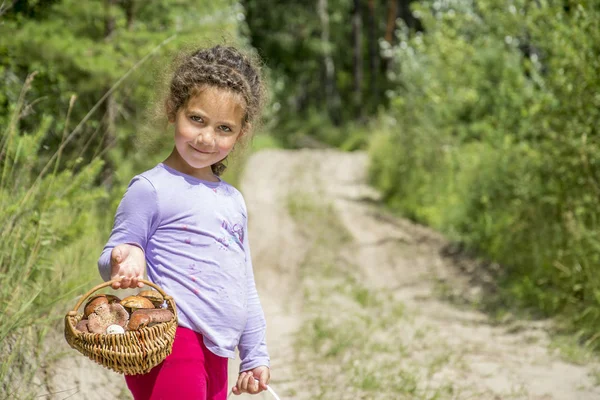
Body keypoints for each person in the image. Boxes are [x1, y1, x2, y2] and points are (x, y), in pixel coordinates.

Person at [97, 45, 270, 400]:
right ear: (173, 110)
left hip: (218, 346)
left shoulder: (232, 200)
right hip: (172, 337)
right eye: (197, 119)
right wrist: (123, 257)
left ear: (241, 133)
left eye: (224, 128)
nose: (207, 138)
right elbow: (115, 253)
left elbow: (243, 282)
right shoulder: (152, 188)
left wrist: (254, 354)